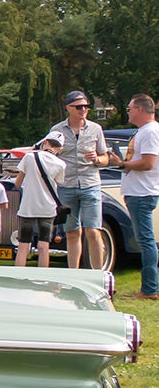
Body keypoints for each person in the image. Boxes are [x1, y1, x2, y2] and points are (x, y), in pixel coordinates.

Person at [49, 90, 109, 269]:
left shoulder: (96, 129)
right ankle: (73, 276)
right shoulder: (56, 130)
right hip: (66, 186)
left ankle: (99, 275)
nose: (83, 110)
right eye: (78, 107)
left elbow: (105, 157)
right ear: (69, 108)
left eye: (85, 106)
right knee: (72, 232)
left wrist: (97, 159)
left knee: (93, 230)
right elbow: (49, 156)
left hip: (90, 184)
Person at [115, 94, 159, 298]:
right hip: (139, 192)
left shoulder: (150, 132)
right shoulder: (144, 131)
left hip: (142, 193)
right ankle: (150, 287)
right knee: (145, 239)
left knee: (146, 240)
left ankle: (150, 289)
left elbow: (148, 163)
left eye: (130, 108)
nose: (128, 112)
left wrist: (123, 164)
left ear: (140, 109)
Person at [14, 133, 67, 268]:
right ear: (60, 148)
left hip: (28, 207)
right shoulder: (61, 164)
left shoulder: (30, 157)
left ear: (46, 142)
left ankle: (18, 277)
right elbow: (58, 182)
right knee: (44, 245)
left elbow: (18, 183)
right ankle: (43, 278)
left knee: (23, 245)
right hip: (48, 208)